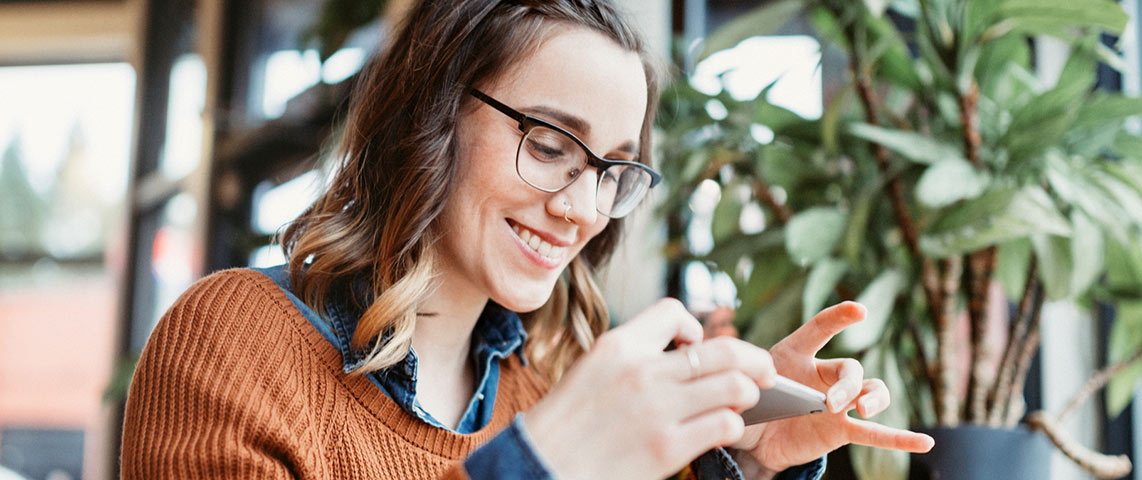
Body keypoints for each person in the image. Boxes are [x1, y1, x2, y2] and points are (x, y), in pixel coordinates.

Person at [119, 0, 935, 478]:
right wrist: (545, 463)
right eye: (548, 145)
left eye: (614, 169)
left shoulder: (553, 383)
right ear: (429, 117)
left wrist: (746, 462)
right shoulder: (235, 341)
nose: (582, 208)